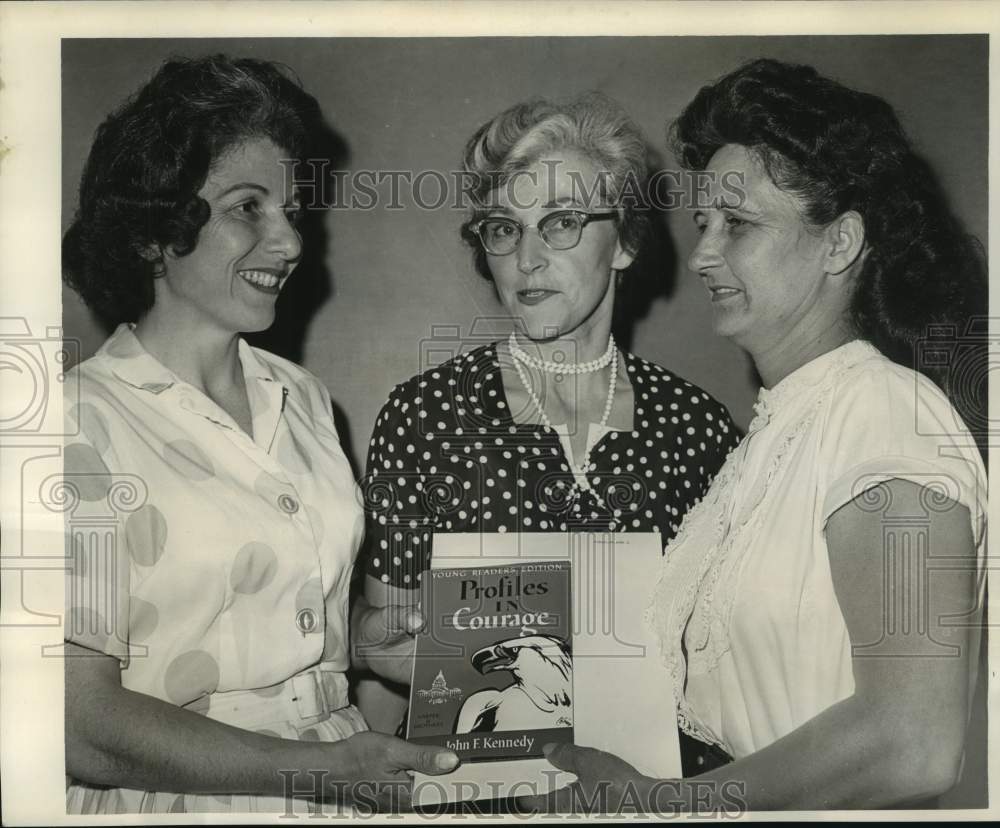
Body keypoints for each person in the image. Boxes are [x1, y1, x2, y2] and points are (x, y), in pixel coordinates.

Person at [536, 58, 988, 812]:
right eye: (705, 223)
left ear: (841, 244)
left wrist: (670, 807)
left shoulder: (885, 413)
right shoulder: (773, 434)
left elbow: (913, 742)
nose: (704, 253)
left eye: (738, 225)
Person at [61, 54, 457, 815]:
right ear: (155, 229)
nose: (289, 243)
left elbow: (265, 603)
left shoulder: (304, 399)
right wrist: (311, 771)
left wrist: (363, 641)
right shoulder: (76, 422)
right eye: (249, 208)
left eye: (290, 212)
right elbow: (80, 724)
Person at [360, 93, 740, 730]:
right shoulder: (423, 416)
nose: (526, 258)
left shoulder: (698, 428)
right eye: (506, 228)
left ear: (622, 241)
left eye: (562, 222)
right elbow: (388, 672)